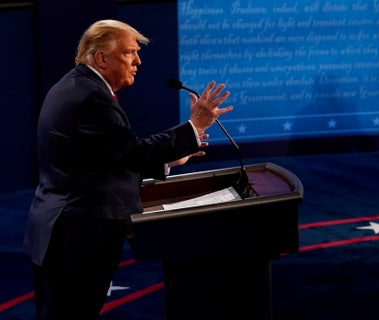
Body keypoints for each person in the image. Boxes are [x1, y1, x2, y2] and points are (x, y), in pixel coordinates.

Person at [23, 19, 233, 319]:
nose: (138, 61)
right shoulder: (91, 97)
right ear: (101, 58)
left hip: (64, 228)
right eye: (129, 53)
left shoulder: (78, 85)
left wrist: (167, 160)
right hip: (77, 235)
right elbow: (132, 151)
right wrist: (195, 126)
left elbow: (108, 155)